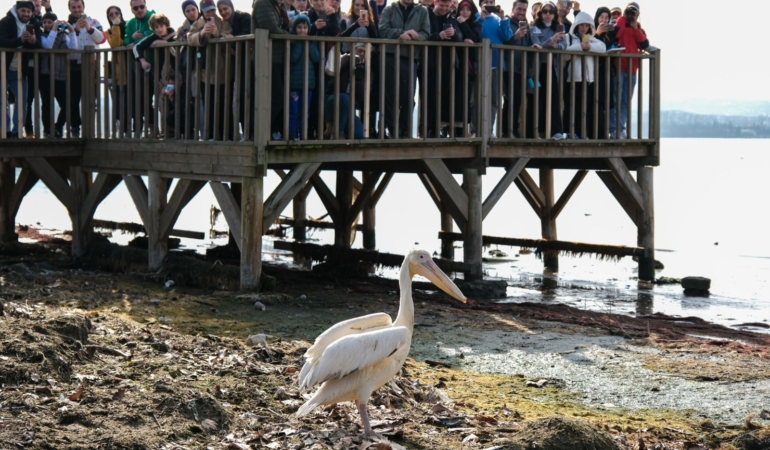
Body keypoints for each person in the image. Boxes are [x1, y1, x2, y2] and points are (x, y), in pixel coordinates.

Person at [378, 0, 430, 138]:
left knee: (408, 96)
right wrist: (400, 33)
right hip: (390, 56)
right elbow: (382, 30)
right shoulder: (390, 9)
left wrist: (415, 36)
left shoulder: (422, 11)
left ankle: (404, 129)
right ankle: (391, 129)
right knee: (389, 95)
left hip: (410, 57)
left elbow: (426, 33)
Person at [188, 0, 233, 140]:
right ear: (202, 11)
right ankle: (212, 136)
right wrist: (201, 33)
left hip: (223, 70)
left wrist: (218, 35)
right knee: (209, 106)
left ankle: (228, 136)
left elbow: (229, 38)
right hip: (205, 72)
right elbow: (190, 39)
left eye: (213, 10)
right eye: (208, 11)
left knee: (225, 105)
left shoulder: (223, 22)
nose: (211, 13)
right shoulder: (197, 24)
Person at [0, 1, 40, 139]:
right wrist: (20, 40)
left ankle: (17, 131)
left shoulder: (34, 23)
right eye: (23, 11)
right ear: (17, 10)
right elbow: (1, 41)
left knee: (23, 101)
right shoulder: (5, 22)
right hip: (2, 68)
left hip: (20, 70)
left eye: (28, 12)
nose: (26, 14)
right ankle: (5, 131)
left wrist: (33, 41)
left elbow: (39, 45)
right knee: (1, 101)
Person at [563, 11, 605, 139]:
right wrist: (580, 47)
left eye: (587, 26)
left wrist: (588, 47)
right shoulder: (568, 38)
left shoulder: (591, 39)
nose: (584, 28)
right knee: (572, 107)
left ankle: (583, 134)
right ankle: (570, 133)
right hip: (573, 78)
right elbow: (564, 54)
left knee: (586, 108)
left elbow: (602, 48)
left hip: (588, 79)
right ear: (576, 25)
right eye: (581, 25)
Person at [609, 2, 648, 139]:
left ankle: (621, 129)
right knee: (616, 100)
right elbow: (615, 35)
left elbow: (644, 44)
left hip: (632, 70)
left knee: (625, 102)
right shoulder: (620, 23)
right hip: (619, 68)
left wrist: (635, 28)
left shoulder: (638, 29)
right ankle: (613, 129)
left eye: (633, 12)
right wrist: (622, 19)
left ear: (638, 14)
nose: (631, 15)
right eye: (629, 11)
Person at [252, 0, 290, 139]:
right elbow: (271, 28)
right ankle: (258, 131)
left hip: (275, 58)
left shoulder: (276, 5)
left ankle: (270, 132)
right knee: (276, 98)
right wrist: (290, 36)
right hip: (267, 58)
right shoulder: (263, 3)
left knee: (274, 98)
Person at [426, 0, 464, 137]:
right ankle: (428, 130)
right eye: (441, 6)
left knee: (443, 98)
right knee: (430, 98)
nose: (444, 9)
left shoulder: (451, 18)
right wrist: (438, 36)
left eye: (447, 6)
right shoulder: (427, 15)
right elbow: (423, 35)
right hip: (430, 63)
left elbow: (460, 37)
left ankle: (436, 129)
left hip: (447, 63)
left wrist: (454, 34)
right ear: (435, 2)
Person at [530, 1, 565, 139]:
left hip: (553, 67)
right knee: (536, 98)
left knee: (554, 98)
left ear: (555, 14)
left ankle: (555, 131)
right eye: (545, 11)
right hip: (538, 67)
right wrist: (551, 41)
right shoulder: (535, 27)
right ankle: (535, 131)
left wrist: (556, 46)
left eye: (551, 11)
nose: (548, 14)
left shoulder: (559, 27)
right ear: (541, 13)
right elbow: (537, 45)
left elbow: (564, 45)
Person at [217, 0, 252, 138]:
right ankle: (238, 133)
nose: (223, 12)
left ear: (231, 7)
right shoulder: (223, 24)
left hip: (247, 63)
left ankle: (248, 132)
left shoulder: (244, 17)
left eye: (225, 9)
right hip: (233, 64)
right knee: (236, 100)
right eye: (220, 10)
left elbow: (248, 34)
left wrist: (233, 40)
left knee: (246, 97)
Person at [478, 0, 512, 136]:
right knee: (476, 99)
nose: (489, 4)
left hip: (497, 64)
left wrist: (503, 18)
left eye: (491, 2)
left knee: (494, 100)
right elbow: (474, 33)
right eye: (486, 2)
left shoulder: (498, 20)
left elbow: (507, 36)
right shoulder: (475, 17)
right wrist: (481, 18)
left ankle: (489, 130)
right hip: (479, 63)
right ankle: (475, 130)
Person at [39, 13, 75, 138]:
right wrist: (54, 29)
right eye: (44, 22)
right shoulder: (42, 36)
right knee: (47, 104)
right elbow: (48, 46)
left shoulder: (63, 36)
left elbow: (73, 47)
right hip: (46, 75)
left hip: (61, 75)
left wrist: (71, 30)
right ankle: (48, 129)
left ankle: (58, 127)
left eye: (50, 22)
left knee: (69, 104)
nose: (47, 25)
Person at [502, 0, 533, 138]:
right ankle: (507, 131)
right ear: (513, 9)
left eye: (524, 10)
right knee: (510, 99)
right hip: (508, 67)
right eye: (519, 9)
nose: (521, 12)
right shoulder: (506, 22)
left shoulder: (526, 26)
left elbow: (528, 44)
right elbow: (502, 41)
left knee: (517, 100)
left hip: (521, 69)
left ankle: (513, 130)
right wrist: (515, 36)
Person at [324, 43, 368, 139]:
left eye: (365, 52)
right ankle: (337, 133)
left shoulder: (366, 70)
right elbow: (332, 77)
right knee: (344, 97)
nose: (362, 54)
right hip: (331, 101)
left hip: (347, 110)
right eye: (360, 51)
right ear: (353, 51)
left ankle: (336, 130)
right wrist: (349, 59)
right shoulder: (344, 59)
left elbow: (361, 97)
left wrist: (359, 77)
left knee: (360, 135)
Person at [288, 14, 319, 140]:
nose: (302, 31)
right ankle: (291, 134)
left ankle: (302, 135)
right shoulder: (293, 42)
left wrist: (308, 43)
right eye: (299, 27)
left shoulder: (311, 42)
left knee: (304, 111)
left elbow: (316, 58)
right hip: (294, 84)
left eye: (305, 28)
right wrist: (301, 43)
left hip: (308, 83)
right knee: (293, 111)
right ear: (294, 28)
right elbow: (293, 58)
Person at [455, 0, 479, 134]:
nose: (465, 12)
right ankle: (452, 128)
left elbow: (475, 37)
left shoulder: (476, 24)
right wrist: (462, 40)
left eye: (468, 10)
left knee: (468, 97)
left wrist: (463, 24)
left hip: (469, 65)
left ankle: (464, 129)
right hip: (455, 63)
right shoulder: (453, 21)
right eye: (462, 9)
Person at [593, 6, 616, 139]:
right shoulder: (592, 30)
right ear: (597, 18)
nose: (604, 20)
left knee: (606, 102)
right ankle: (596, 133)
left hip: (607, 70)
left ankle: (604, 132)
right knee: (596, 101)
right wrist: (597, 33)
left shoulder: (610, 34)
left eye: (607, 18)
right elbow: (590, 44)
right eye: (601, 17)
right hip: (596, 71)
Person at [22, 0, 43, 139]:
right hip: (26, 65)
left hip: (42, 66)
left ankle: (47, 130)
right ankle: (28, 130)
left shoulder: (43, 21)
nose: (35, 7)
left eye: (38, 5)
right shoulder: (23, 20)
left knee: (37, 98)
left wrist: (49, 8)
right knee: (28, 98)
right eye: (33, 5)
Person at [105, 5, 127, 133]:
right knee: (118, 100)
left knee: (133, 99)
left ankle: (135, 128)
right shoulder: (109, 31)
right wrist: (116, 26)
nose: (114, 16)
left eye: (116, 13)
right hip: (119, 71)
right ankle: (120, 128)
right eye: (111, 14)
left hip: (131, 68)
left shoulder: (129, 26)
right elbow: (115, 43)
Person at [162, 71, 186, 137]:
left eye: (173, 84)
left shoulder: (185, 90)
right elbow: (168, 108)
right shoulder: (171, 90)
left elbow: (182, 108)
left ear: (181, 82)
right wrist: (164, 97)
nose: (172, 86)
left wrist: (172, 99)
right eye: (170, 84)